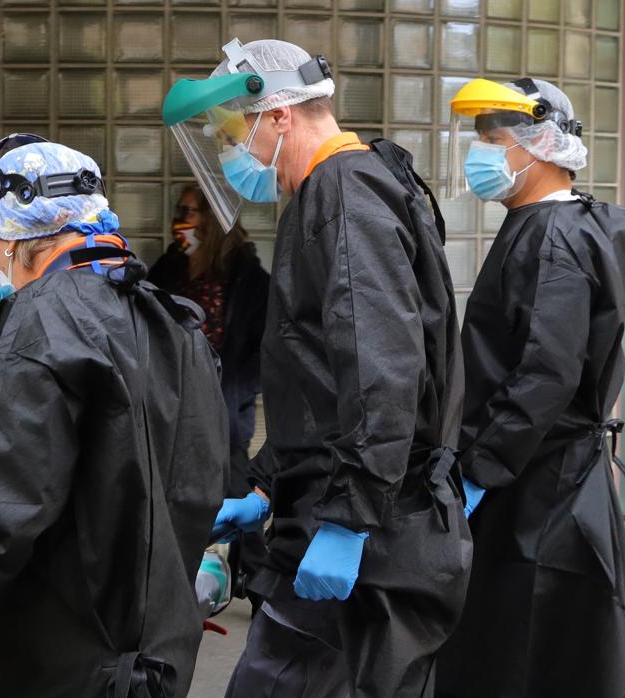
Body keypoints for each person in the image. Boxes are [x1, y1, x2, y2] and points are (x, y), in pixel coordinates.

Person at [0, 140, 228, 697]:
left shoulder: (44, 318)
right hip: (158, 654)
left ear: (17, 235)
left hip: (70, 661)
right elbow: (192, 486)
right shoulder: (172, 319)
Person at [164, 39, 471, 697]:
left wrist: (348, 521)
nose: (229, 150)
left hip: (373, 539)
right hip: (348, 513)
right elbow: (323, 382)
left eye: (232, 131)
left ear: (279, 116)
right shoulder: (341, 187)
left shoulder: (346, 193)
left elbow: (383, 369)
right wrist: (269, 485)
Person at [433, 78, 625, 697]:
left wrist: (479, 471)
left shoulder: (553, 237)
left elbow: (545, 373)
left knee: (533, 650)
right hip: (537, 475)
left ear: (540, 146)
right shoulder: (551, 226)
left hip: (538, 486)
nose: (481, 156)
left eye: (494, 141)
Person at [148, 187, 268, 499]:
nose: (179, 220)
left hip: (223, 408)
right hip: (172, 403)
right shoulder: (170, 266)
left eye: (188, 212)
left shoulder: (245, 277)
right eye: (179, 211)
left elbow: (262, 346)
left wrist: (240, 388)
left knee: (234, 495)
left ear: (210, 219)